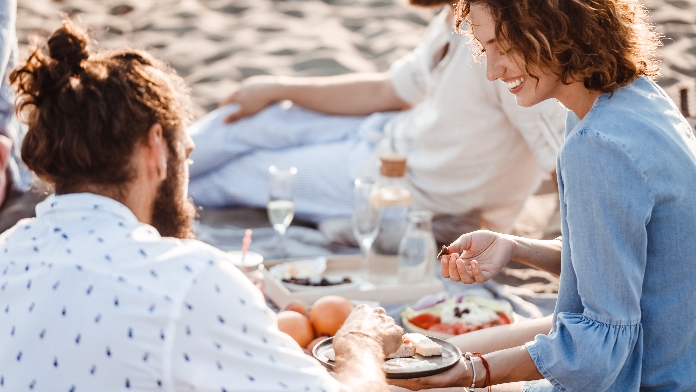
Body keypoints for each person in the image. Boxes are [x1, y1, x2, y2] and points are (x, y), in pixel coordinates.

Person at [0, 20, 405, 392]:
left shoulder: (6, 252)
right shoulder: (187, 278)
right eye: (186, 156)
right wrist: (360, 344)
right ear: (156, 147)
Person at [390, 0, 696, 390]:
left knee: (419, 379)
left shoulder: (596, 145)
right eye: (487, 49)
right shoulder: (634, 98)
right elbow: (625, 260)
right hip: (669, 349)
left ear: (557, 28)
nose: (492, 70)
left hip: (643, 374)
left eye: (506, 46)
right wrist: (514, 247)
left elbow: (601, 347)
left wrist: (475, 372)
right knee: (435, 353)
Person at [186, 0, 566, 244]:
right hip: (382, 133)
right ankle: (137, 161)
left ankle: (150, 191)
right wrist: (278, 87)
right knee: (252, 118)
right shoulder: (457, 13)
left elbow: (566, 163)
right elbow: (389, 90)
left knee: (235, 174)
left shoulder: (512, 45)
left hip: (400, 191)